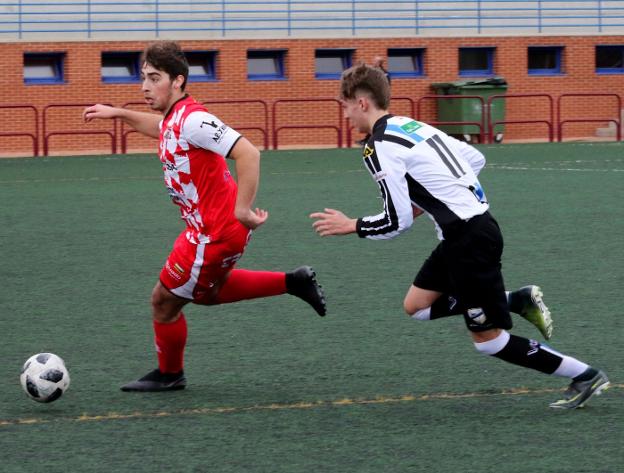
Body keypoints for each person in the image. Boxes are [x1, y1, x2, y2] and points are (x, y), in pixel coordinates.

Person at [310, 63, 609, 409]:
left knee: (488, 341)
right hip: (464, 235)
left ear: (362, 103)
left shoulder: (377, 147)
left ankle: (585, 375)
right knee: (417, 307)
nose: (345, 115)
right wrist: (434, 199)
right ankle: (514, 300)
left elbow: (396, 220)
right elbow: (474, 158)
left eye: (345, 106)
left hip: (470, 240)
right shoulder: (409, 124)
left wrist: (353, 225)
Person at [83, 41, 326, 392]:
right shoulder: (175, 118)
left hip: (215, 232)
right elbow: (160, 128)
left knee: (164, 301)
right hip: (207, 229)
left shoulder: (194, 119)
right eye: (143, 78)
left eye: (154, 78)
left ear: (178, 81)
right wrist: (118, 114)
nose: (144, 87)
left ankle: (170, 375)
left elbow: (249, 153)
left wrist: (243, 210)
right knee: (207, 293)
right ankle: (294, 282)